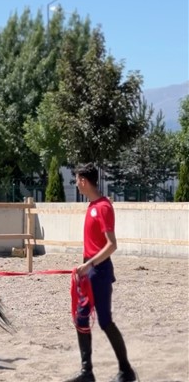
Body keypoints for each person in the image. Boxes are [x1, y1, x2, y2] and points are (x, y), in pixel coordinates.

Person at [65, 163, 136, 382]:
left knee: (105, 321)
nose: (76, 184)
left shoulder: (103, 207)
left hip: (100, 270)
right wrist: (85, 266)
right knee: (81, 317)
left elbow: (112, 245)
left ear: (84, 181)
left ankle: (126, 370)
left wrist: (90, 265)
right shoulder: (92, 206)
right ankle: (87, 371)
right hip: (90, 269)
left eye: (77, 180)